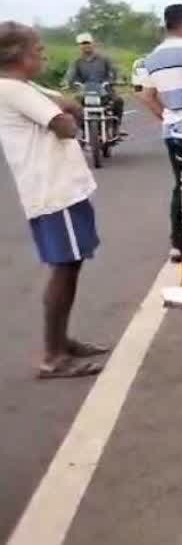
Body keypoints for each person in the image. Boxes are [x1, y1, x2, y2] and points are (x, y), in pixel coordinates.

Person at [0, 22, 108, 378]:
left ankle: (61, 342)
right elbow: (67, 124)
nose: (44, 56)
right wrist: (64, 111)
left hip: (60, 190)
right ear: (19, 56)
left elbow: (69, 104)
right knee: (64, 267)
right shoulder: (15, 90)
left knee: (71, 264)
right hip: (54, 192)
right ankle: (53, 355)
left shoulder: (24, 87)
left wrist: (64, 108)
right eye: (38, 51)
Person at [139, 4, 182, 262]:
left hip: (172, 129)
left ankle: (178, 243)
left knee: (181, 185)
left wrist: (166, 115)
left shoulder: (150, 58)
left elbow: (147, 95)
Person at [64, 32, 124, 127]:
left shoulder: (104, 58)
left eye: (88, 43)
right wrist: (67, 83)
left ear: (93, 44)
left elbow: (114, 70)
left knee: (118, 101)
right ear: (79, 46)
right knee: (73, 105)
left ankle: (116, 126)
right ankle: (82, 128)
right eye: (83, 44)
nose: (86, 46)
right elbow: (70, 75)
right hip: (85, 91)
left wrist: (117, 79)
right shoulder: (77, 61)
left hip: (105, 90)